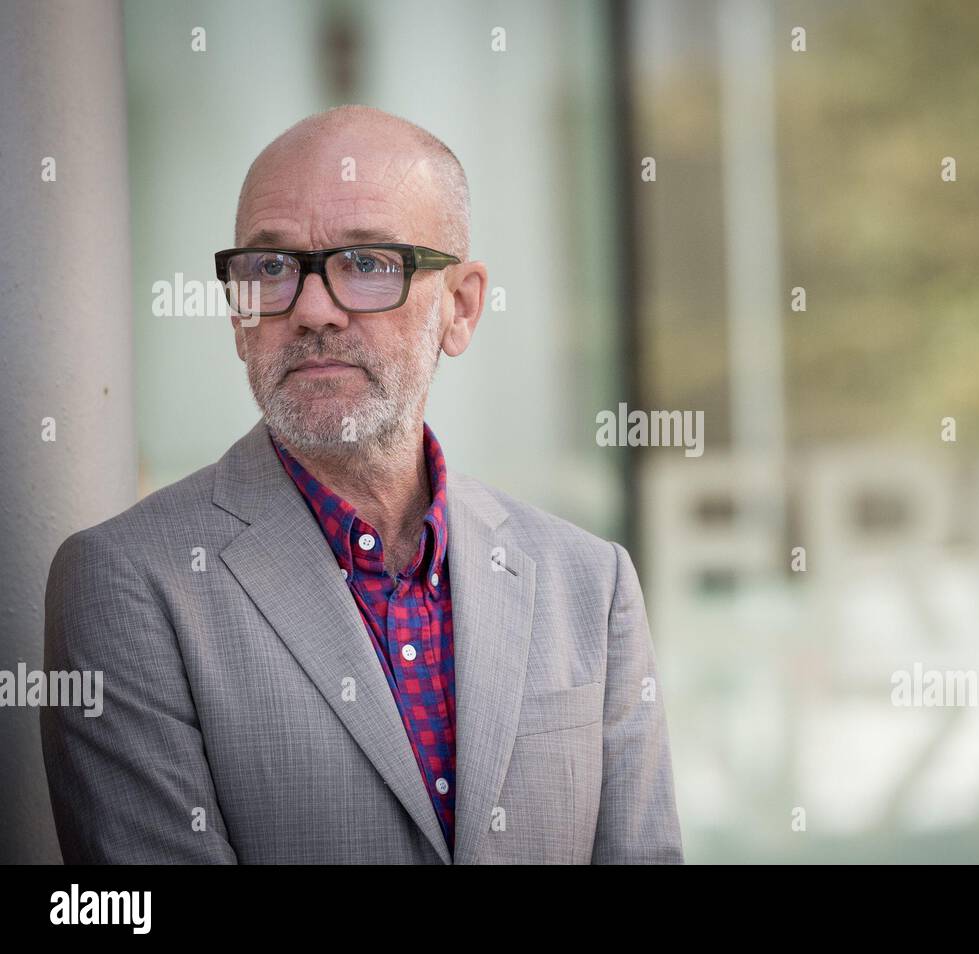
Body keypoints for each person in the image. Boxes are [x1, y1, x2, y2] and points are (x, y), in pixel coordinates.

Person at [41, 105, 683, 864]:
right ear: (238, 314)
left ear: (462, 307)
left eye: (368, 263)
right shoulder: (129, 583)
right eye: (271, 268)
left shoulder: (590, 582)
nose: (313, 309)